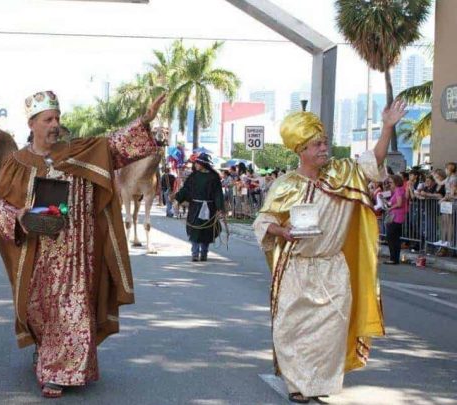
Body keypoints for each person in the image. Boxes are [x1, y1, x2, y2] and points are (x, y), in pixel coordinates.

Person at [0, 90, 165, 398]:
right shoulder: (17, 162)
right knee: (40, 311)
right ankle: (46, 352)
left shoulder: (80, 151)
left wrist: (145, 120)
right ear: (32, 123)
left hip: (78, 252)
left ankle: (55, 373)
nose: (54, 124)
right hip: (38, 253)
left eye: (57, 118)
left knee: (73, 308)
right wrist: (17, 215)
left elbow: (114, 145)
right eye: (48, 119)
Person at [253, 100, 406, 402]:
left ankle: (319, 385)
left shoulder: (344, 173)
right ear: (300, 150)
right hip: (296, 268)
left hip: (333, 268)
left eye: (325, 142)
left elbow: (374, 160)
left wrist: (387, 127)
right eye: (316, 144)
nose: (324, 149)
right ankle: (298, 384)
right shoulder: (285, 185)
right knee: (292, 329)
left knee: (329, 332)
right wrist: (281, 231)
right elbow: (264, 220)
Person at [172, 153, 225, 261]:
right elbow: (186, 189)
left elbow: (218, 194)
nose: (195, 164)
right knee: (195, 230)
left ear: (202, 164)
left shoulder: (214, 177)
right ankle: (195, 253)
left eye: (197, 162)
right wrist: (177, 198)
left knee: (206, 230)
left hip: (209, 208)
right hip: (195, 207)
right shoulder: (194, 176)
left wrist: (220, 208)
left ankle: (204, 253)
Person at [383, 175, 407, 265]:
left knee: (391, 238)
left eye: (390, 182)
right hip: (396, 216)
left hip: (396, 217)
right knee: (394, 238)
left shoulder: (398, 190)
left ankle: (393, 258)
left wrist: (390, 208)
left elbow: (399, 203)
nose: (390, 184)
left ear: (395, 182)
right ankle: (394, 258)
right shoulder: (397, 190)